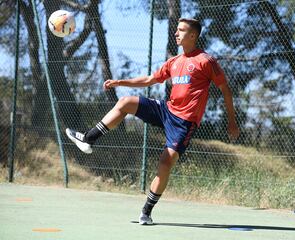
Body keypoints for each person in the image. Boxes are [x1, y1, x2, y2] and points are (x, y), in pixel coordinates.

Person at [66, 18, 240, 225]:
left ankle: (146, 212)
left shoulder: (206, 61)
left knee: (165, 163)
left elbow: (226, 91)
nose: (176, 33)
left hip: (184, 123)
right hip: (166, 109)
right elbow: (149, 80)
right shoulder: (174, 61)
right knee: (125, 102)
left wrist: (232, 121)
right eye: (176, 30)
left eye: (181, 30)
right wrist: (120, 82)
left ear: (193, 35)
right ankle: (88, 139)